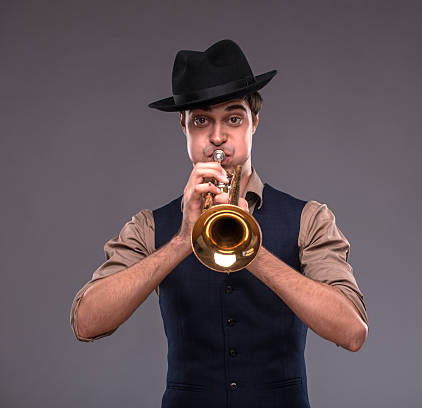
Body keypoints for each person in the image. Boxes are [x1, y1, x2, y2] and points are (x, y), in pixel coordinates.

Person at [69, 39, 368, 408]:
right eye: (201, 121)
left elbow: (352, 331)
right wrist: (182, 240)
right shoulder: (151, 227)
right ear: (183, 126)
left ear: (254, 122)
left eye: (233, 118)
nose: (217, 137)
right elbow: (87, 322)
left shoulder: (309, 219)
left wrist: (252, 252)